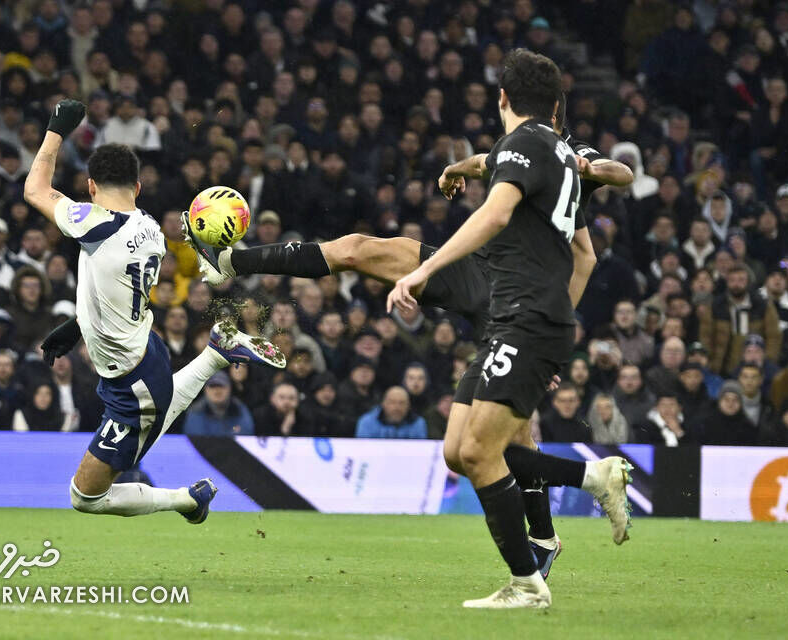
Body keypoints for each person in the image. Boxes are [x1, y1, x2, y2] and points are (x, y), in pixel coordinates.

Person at [195, 73, 635, 589]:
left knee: (505, 439)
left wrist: (589, 168)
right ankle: (231, 261)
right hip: (479, 270)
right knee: (357, 249)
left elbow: (618, 176)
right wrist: (455, 168)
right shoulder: (518, 146)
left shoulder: (565, 153)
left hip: (516, 298)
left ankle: (546, 535)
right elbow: (490, 164)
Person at [386, 51, 633, 608]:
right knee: (459, 450)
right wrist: (459, 167)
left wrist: (423, 270)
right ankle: (593, 478)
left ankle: (527, 583)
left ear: (501, 98)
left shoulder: (526, 146)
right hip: (522, 317)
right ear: (554, 105)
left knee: (479, 452)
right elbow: (584, 251)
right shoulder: (557, 152)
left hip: (526, 316)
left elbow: (495, 212)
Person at [23, 100, 284, 523]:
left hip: (133, 379)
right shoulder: (151, 230)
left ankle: (188, 498)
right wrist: (78, 325)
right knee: (152, 418)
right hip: (144, 354)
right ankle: (216, 354)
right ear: (139, 187)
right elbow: (113, 286)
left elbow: (35, 190)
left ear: (91, 187)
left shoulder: (92, 222)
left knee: (85, 496)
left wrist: (56, 129)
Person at [182, 371, 254, 437]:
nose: (217, 390)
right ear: (205, 389)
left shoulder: (239, 409)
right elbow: (195, 439)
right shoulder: (196, 411)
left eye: (221, 386)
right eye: (212, 386)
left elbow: (246, 436)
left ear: (229, 388)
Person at [691, 381, 758, 445]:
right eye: (726, 399)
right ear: (719, 401)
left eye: (735, 400)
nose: (730, 404)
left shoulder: (748, 428)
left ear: (740, 403)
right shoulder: (705, 426)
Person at [355, 385, 427, 439]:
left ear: (408, 405)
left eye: (402, 403)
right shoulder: (367, 422)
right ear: (383, 404)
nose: (397, 407)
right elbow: (364, 449)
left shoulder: (418, 423)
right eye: (392, 402)